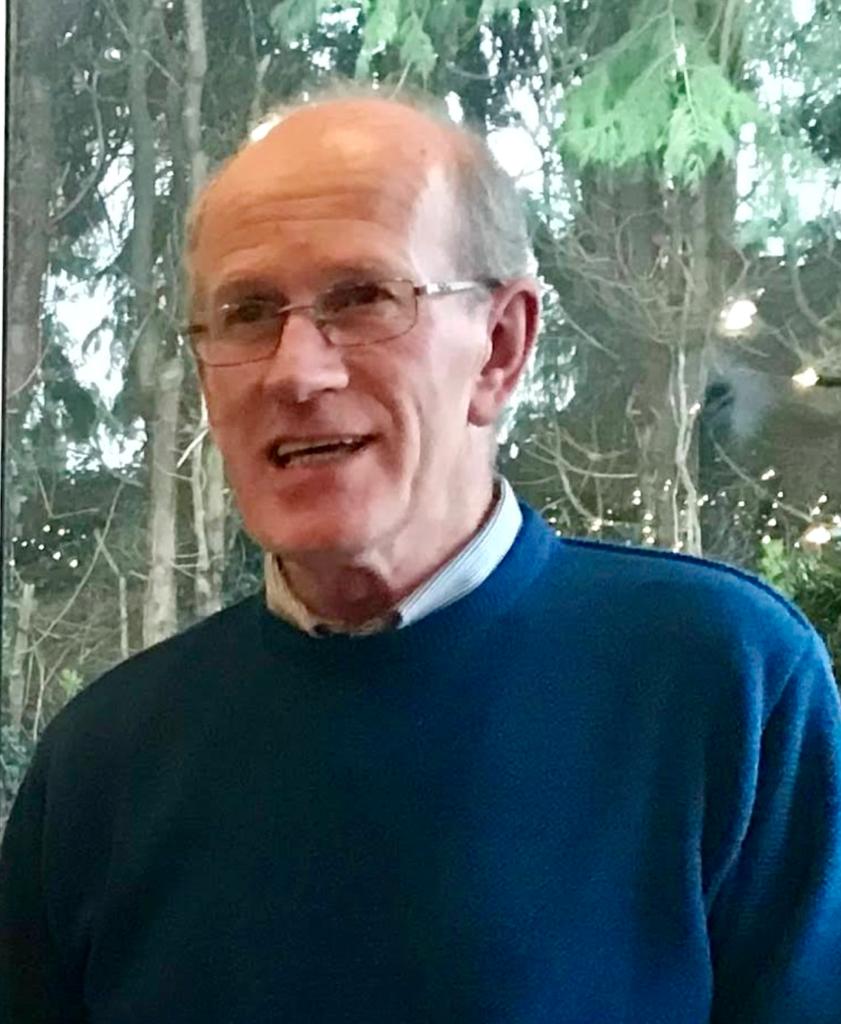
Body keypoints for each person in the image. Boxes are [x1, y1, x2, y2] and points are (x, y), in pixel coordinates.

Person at [2, 89, 840, 1024]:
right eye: (247, 312)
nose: (296, 370)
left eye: (361, 298)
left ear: (501, 347)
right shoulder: (103, 763)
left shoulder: (720, 683)